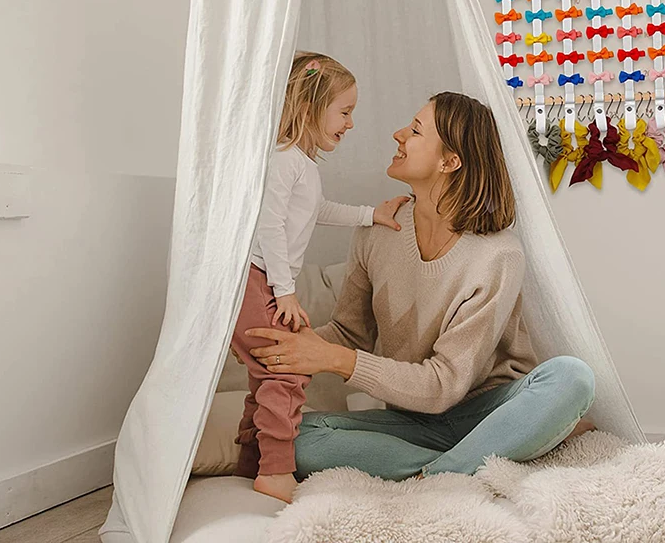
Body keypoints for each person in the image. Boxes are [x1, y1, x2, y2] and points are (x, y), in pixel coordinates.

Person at [245, 91, 596, 495]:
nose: (398, 135)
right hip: (416, 422)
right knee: (293, 437)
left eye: (414, 130)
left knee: (572, 377)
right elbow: (348, 334)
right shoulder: (376, 233)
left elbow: (444, 385)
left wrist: (336, 359)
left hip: (488, 409)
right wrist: (285, 345)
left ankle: (438, 477)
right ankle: (476, 459)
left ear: (449, 161)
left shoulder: (497, 255)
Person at [229, 51, 408, 503]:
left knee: (270, 372)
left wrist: (371, 214)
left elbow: (315, 212)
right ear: (310, 107)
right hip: (257, 280)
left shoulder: (301, 165)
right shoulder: (284, 160)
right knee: (287, 369)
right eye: (344, 112)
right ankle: (274, 472)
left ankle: (251, 461)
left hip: (264, 280)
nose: (350, 124)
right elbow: (268, 224)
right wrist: (285, 291)